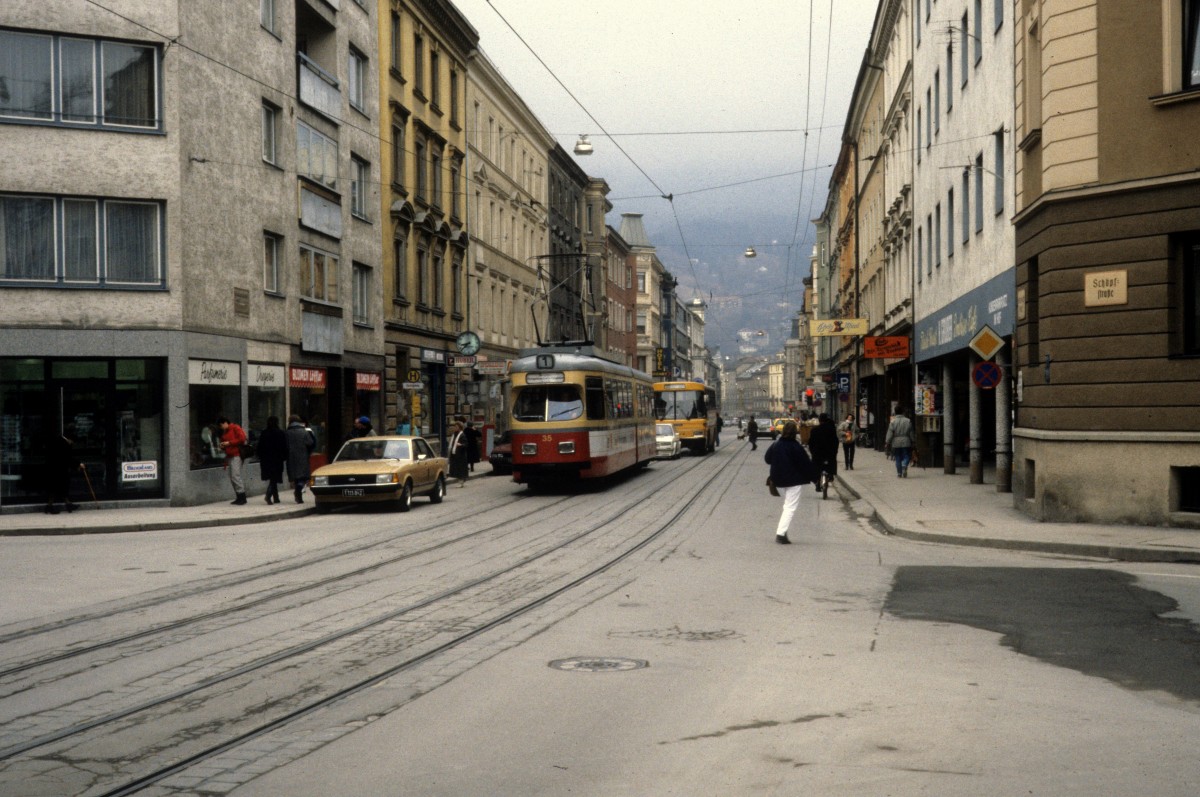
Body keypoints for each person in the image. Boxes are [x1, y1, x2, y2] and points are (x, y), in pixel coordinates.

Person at [764, 420, 817, 545]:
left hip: (777, 479)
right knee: (789, 507)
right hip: (793, 480)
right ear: (795, 432)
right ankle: (781, 534)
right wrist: (815, 478)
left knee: (786, 507)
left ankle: (783, 529)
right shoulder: (796, 446)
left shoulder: (776, 444)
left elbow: (767, 459)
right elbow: (805, 465)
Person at [44, 427, 81, 515]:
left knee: (61, 488)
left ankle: (67, 504)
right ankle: (49, 507)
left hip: (55, 469)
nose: (72, 444)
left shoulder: (59, 442)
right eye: (72, 442)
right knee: (56, 488)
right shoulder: (63, 444)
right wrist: (78, 464)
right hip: (57, 470)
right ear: (70, 439)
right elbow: (67, 458)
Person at [257, 416, 288, 505]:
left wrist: (261, 457)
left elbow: (260, 447)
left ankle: (276, 497)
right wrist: (284, 457)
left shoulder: (264, 433)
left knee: (272, 478)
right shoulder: (280, 433)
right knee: (274, 478)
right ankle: (269, 495)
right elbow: (284, 447)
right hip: (277, 459)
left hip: (266, 460)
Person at [285, 415, 316, 503]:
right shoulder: (304, 432)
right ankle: (299, 490)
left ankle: (298, 492)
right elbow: (310, 443)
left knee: (295, 477)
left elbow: (285, 445)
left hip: (291, 457)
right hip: (303, 456)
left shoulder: (287, 433)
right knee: (303, 477)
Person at [218, 416, 248, 505]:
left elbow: (242, 439)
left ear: (225, 423)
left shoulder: (235, 428)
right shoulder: (225, 432)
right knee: (233, 477)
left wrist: (229, 443)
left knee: (235, 476)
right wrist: (223, 445)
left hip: (237, 454)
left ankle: (242, 496)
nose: (221, 427)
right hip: (230, 455)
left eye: (221, 425)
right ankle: (239, 496)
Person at [807, 413, 840, 485]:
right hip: (829, 453)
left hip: (818, 453)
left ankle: (817, 481)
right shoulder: (831, 429)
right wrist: (835, 451)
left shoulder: (814, 430)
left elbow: (810, 442)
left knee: (816, 466)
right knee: (832, 461)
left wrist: (812, 451)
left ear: (819, 420)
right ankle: (831, 475)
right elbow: (835, 441)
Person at [885, 405, 916, 478]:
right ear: (902, 412)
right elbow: (911, 433)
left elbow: (890, 433)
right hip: (906, 441)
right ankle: (904, 464)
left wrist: (887, 442)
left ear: (895, 412)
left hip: (896, 442)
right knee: (907, 455)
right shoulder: (908, 421)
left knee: (897, 457)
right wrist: (913, 441)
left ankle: (899, 473)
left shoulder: (892, 422)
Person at [448, 421, 469, 487]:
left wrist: (460, 444)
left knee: (461, 469)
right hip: (455, 454)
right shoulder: (454, 434)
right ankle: (461, 480)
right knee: (456, 469)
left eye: (456, 427)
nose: (455, 428)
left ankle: (461, 482)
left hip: (461, 455)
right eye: (454, 426)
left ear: (460, 427)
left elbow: (466, 444)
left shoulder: (462, 435)